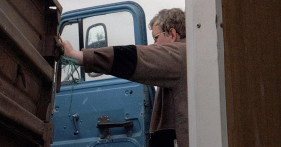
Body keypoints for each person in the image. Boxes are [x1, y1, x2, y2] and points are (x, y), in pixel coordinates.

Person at [61, 8, 188, 147]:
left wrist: (79, 56)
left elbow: (133, 57)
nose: (153, 45)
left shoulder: (180, 54)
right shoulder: (185, 61)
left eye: (156, 38)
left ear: (172, 34)